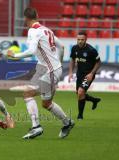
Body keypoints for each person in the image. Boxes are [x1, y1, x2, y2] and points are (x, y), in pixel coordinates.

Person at [7, 7, 74, 139]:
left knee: (27, 93)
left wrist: (15, 55)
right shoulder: (46, 30)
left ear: (26, 19)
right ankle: (67, 123)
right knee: (46, 103)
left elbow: (31, 51)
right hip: (51, 70)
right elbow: (62, 47)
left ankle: (36, 127)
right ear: (36, 15)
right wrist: (58, 67)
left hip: (49, 71)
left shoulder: (33, 31)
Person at [68, 31, 101, 120]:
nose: (80, 41)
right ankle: (94, 100)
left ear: (86, 39)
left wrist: (91, 74)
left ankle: (80, 116)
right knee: (79, 94)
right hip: (79, 74)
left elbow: (98, 63)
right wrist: (70, 72)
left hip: (88, 75)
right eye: (78, 39)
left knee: (80, 92)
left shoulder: (91, 50)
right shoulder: (74, 48)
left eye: (82, 39)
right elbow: (72, 60)